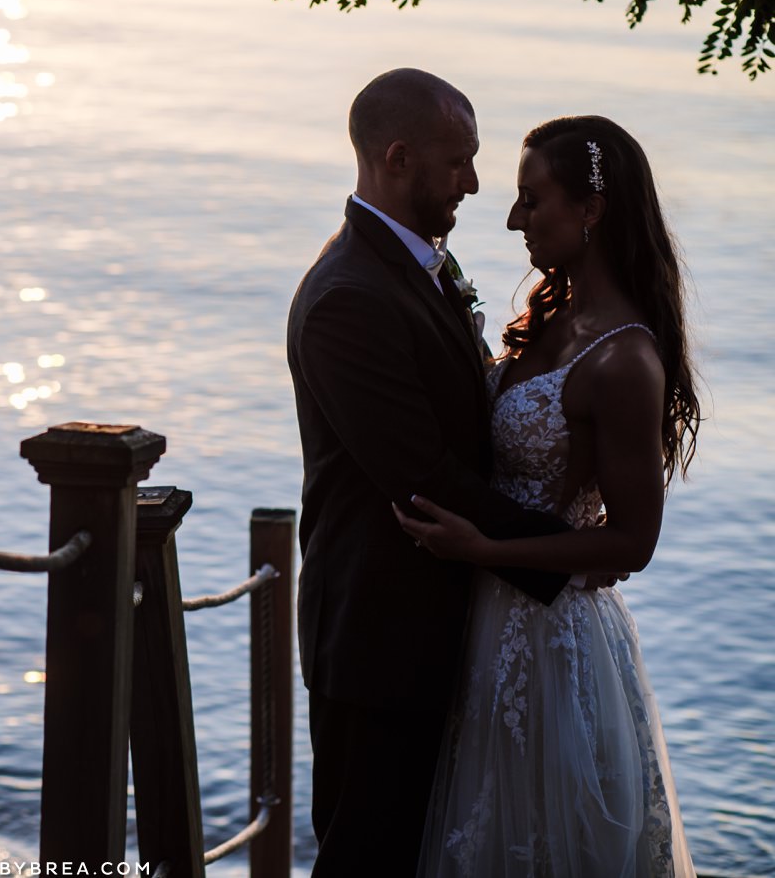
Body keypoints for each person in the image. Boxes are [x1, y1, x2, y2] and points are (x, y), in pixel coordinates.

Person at [286, 69, 576, 876]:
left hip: (444, 629)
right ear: (399, 157)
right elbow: (423, 476)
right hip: (383, 638)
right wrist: (577, 550)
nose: (475, 184)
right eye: (459, 162)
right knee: (367, 857)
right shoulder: (349, 295)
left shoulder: (420, 265)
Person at [396, 115, 700, 877]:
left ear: (591, 210)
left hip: (555, 638)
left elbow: (633, 541)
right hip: (485, 630)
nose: (511, 217)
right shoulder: (552, 317)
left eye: (532, 200)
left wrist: (486, 549)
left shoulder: (624, 358)